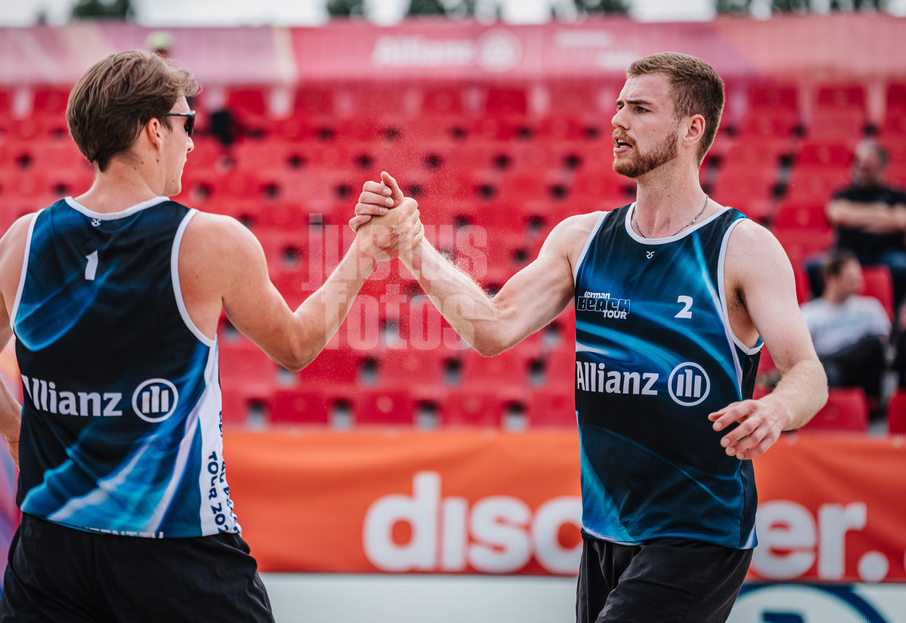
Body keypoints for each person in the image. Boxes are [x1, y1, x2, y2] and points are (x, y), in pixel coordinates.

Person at [0, 50, 421, 622]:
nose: (192, 142)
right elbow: (297, 345)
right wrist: (365, 251)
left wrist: (20, 434)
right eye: (185, 124)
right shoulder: (209, 242)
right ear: (153, 131)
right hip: (175, 547)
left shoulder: (23, 240)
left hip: (51, 547)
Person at [352, 52, 827, 622]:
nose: (618, 120)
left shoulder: (742, 247)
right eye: (619, 104)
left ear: (690, 129)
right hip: (604, 528)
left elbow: (808, 374)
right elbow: (493, 328)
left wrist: (776, 409)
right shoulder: (582, 238)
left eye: (641, 108)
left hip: (699, 531)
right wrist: (413, 245)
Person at [820, 139, 906, 318]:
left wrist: (856, 216)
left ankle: (897, 319)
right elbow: (838, 215)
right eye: (859, 165)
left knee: (902, 267)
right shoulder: (844, 193)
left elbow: (901, 220)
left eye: (868, 167)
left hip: (888, 253)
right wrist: (883, 214)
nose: (862, 171)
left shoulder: (897, 195)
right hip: (848, 253)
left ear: (882, 168)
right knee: (815, 267)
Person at [801, 249, 891, 418]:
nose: (858, 280)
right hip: (830, 373)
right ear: (832, 279)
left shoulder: (870, 308)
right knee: (827, 371)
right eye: (851, 277)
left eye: (858, 275)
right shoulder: (810, 313)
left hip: (861, 373)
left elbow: (881, 349)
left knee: (872, 344)